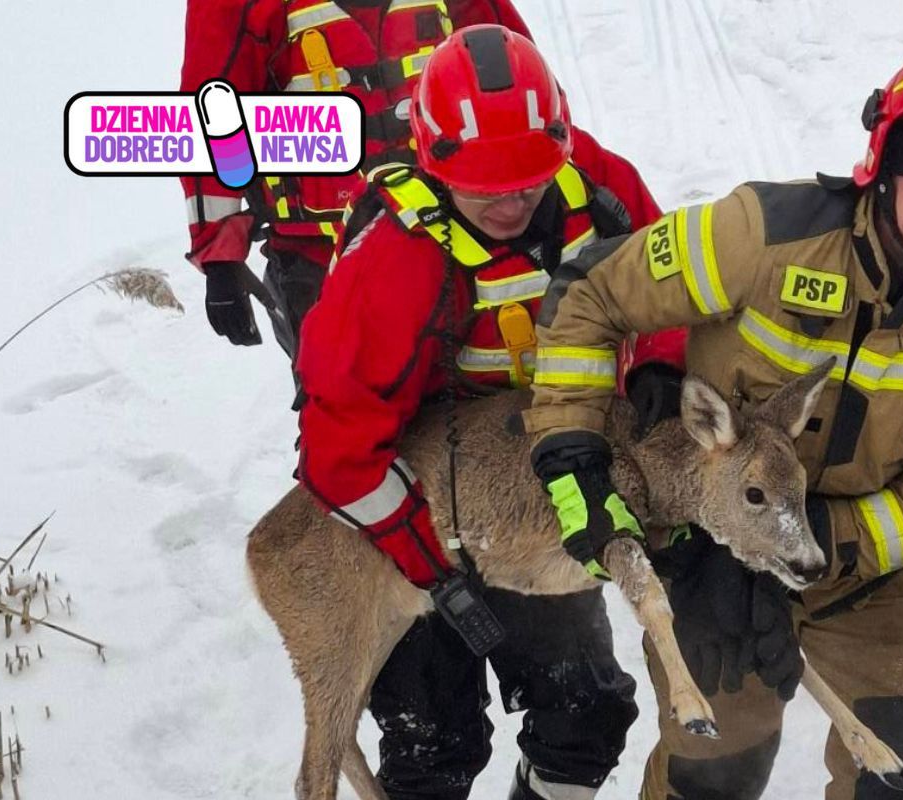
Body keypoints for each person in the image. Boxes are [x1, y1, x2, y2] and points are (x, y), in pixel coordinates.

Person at [524, 24, 903, 799]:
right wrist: (573, 441)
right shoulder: (764, 233)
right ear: (888, 165)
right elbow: (595, 289)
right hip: (715, 541)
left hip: (865, 558)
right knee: (716, 770)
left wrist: (822, 544)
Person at [294, 25, 671, 799]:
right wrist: (431, 569)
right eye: (486, 185)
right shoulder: (394, 259)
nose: (511, 200)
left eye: (528, 179)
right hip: (412, 500)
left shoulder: (594, 186)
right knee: (432, 742)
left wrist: (660, 380)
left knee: (588, 711)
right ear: (434, 160)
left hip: (544, 487)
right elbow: (337, 451)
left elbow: (671, 294)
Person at [178, 0, 533, 361]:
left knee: (486, 376)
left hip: (458, 227)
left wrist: (560, 187)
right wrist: (221, 259)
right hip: (323, 260)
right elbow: (212, 110)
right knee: (343, 400)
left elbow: (515, 76)